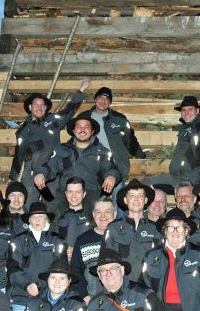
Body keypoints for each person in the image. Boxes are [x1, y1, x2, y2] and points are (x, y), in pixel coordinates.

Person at [9, 78, 91, 207]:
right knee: (30, 206)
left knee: (52, 205)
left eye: (42, 105)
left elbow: (70, 110)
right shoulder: (23, 131)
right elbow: (19, 154)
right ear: (30, 107)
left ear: (46, 108)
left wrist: (81, 90)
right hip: (32, 176)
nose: (39, 108)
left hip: (52, 173)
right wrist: (13, 177)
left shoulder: (53, 120)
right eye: (36, 105)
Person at [33, 111, 120, 216]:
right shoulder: (62, 149)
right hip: (65, 192)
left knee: (97, 214)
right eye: (79, 127)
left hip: (91, 192)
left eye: (86, 127)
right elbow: (50, 165)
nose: (82, 130)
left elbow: (112, 168)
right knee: (52, 213)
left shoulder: (102, 152)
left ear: (92, 131)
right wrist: (41, 173)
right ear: (74, 130)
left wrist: (112, 176)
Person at [101, 179, 162, 283]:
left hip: (149, 287)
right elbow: (105, 261)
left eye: (140, 195)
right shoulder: (113, 228)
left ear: (146, 200)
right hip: (122, 288)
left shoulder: (157, 230)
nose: (136, 199)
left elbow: (162, 262)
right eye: (132, 195)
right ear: (125, 200)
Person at [87, 86, 146, 182]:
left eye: (107, 99)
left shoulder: (119, 119)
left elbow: (130, 139)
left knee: (117, 195)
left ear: (110, 103)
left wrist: (140, 155)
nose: (103, 101)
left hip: (117, 164)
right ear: (95, 99)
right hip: (92, 165)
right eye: (100, 98)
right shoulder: (84, 118)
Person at [71, 197, 117, 303]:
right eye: (98, 212)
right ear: (93, 215)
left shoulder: (123, 239)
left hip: (121, 300)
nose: (103, 216)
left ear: (114, 214)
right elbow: (75, 270)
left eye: (107, 212)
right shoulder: (83, 240)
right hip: (93, 299)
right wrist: (86, 297)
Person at [169, 95, 200, 187]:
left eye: (190, 109)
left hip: (188, 180)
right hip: (176, 177)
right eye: (183, 110)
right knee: (149, 183)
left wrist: (193, 182)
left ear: (198, 111)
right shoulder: (186, 130)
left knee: (149, 183)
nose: (186, 112)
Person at [55, 177, 94, 262]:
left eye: (78, 192)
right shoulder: (57, 219)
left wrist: (77, 251)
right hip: (61, 264)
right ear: (65, 193)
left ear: (84, 194)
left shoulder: (92, 220)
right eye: (70, 191)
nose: (73, 195)